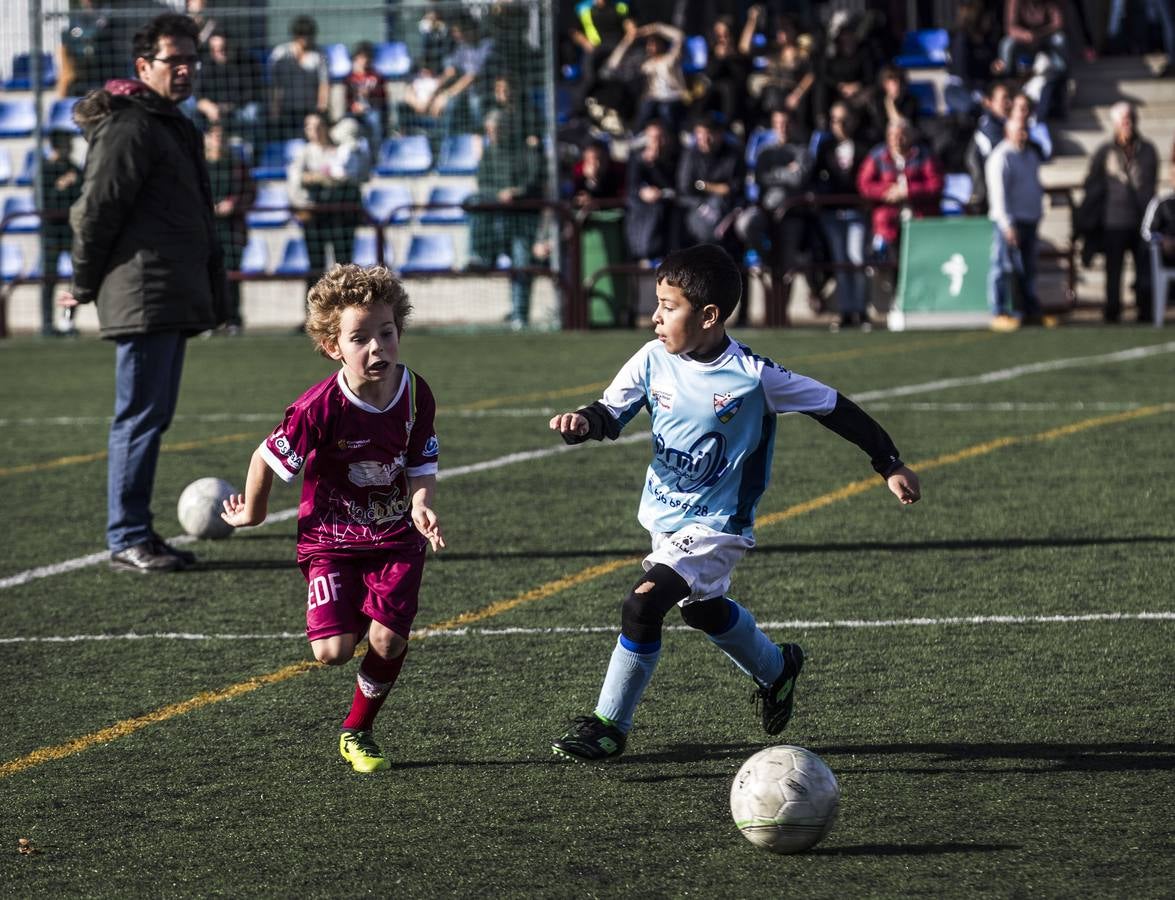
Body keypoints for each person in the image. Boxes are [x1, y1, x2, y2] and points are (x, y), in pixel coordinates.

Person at [547, 243, 921, 762]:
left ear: (708, 316)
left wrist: (890, 463)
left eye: (668, 306)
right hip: (665, 518)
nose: (655, 316)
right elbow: (611, 411)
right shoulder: (654, 358)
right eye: (656, 302)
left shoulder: (754, 376)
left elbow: (833, 406)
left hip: (718, 524)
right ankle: (776, 668)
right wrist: (583, 424)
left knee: (642, 604)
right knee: (701, 611)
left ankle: (609, 725)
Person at [220, 264, 444, 774]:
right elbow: (264, 459)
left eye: (385, 333)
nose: (376, 348)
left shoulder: (415, 393)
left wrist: (421, 502)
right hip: (331, 538)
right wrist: (252, 514)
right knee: (332, 652)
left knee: (388, 639)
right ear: (332, 346)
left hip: (394, 536)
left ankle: (358, 730)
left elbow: (421, 460)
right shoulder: (318, 408)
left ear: (399, 332)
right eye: (359, 338)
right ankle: (357, 613)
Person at [61, 13, 226, 573]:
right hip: (144, 293)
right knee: (138, 417)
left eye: (191, 60)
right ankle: (128, 536)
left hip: (163, 292)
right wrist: (84, 282)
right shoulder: (131, 125)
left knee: (149, 417)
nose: (184, 70)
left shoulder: (166, 121)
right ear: (142, 66)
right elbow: (94, 210)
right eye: (172, 60)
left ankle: (137, 533)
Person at [1080, 101, 1158, 322]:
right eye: (1123, 121)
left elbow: (1151, 181)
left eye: (1129, 119)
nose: (1127, 124)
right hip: (1113, 219)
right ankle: (1112, 310)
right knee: (1114, 270)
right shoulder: (1105, 152)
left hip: (1142, 219)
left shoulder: (1147, 149)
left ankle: (1145, 309)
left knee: (1144, 269)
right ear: (1115, 124)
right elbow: (1092, 182)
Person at [468, 109, 544, 328]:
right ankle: (480, 254)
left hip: (522, 220)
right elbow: (483, 184)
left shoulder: (524, 151)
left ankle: (520, 314)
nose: (493, 135)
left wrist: (515, 192)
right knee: (472, 200)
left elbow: (533, 180)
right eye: (489, 131)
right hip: (496, 219)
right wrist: (498, 195)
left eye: (496, 130)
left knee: (521, 265)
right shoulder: (490, 153)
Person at [287, 113, 366, 305]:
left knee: (344, 265)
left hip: (341, 214)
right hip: (315, 216)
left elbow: (355, 174)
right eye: (309, 126)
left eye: (319, 125)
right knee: (316, 267)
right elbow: (297, 181)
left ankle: (348, 307)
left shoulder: (343, 149)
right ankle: (314, 313)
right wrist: (321, 178)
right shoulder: (304, 153)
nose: (314, 130)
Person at [813, 101, 871, 330]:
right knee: (840, 261)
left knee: (857, 259)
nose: (840, 125)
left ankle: (861, 310)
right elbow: (816, 177)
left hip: (856, 210)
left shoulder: (863, 146)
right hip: (832, 211)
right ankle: (846, 311)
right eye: (836, 120)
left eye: (845, 120)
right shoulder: (825, 147)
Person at [986, 119, 1047, 329]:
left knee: (1028, 269)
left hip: (1029, 219)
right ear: (1007, 132)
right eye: (1019, 130)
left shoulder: (1030, 155)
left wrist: (1037, 213)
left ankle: (1029, 311)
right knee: (1003, 266)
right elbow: (999, 195)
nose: (1023, 134)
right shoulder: (1002, 157)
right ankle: (999, 310)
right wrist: (1006, 223)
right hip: (1010, 221)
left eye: (1025, 130)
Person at [856, 118, 944, 262]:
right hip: (888, 224)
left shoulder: (924, 155)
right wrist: (887, 191)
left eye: (902, 135)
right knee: (890, 264)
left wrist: (908, 192)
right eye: (893, 136)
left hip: (920, 220)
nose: (897, 140)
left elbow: (936, 184)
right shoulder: (878, 156)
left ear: (911, 136)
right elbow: (864, 184)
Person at [204, 122, 255, 333]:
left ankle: (233, 319)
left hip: (232, 229)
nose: (218, 141)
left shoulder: (237, 166)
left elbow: (250, 194)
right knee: (206, 275)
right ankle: (209, 320)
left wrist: (233, 204)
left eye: (222, 136)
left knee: (232, 274)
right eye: (214, 136)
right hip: (205, 229)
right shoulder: (198, 166)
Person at [38, 130, 84, 337]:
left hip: (71, 231)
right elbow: (44, 201)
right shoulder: (45, 170)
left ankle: (67, 322)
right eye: (66, 143)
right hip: (51, 232)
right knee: (49, 278)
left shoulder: (74, 169)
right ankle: (47, 323)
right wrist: (61, 186)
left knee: (74, 280)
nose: (70, 148)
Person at [624, 119, 679, 262]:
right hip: (647, 213)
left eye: (661, 137)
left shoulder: (676, 158)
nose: (657, 142)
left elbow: (678, 186)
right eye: (653, 138)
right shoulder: (637, 159)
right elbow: (633, 187)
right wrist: (643, 192)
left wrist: (654, 166)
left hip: (671, 210)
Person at [267, 15, 330, 141]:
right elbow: (274, 84)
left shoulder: (319, 55)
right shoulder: (280, 53)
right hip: (286, 109)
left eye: (309, 35)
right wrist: (274, 109)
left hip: (309, 109)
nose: (305, 39)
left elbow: (324, 84)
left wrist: (321, 109)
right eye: (302, 35)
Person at [345, 41, 388, 145]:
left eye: (367, 57)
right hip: (354, 111)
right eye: (361, 57)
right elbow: (347, 98)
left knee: (375, 120)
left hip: (372, 109)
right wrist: (354, 106)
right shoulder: (350, 78)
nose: (364, 60)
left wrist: (371, 93)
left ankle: (376, 150)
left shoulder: (377, 76)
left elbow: (383, 97)